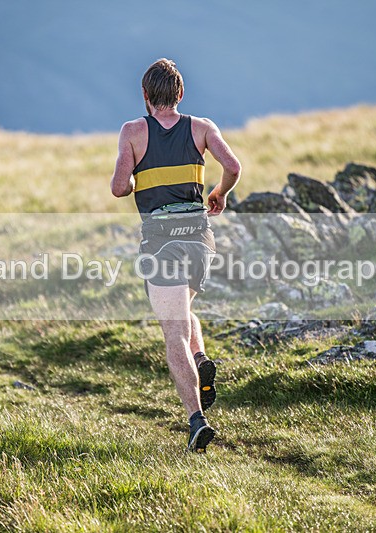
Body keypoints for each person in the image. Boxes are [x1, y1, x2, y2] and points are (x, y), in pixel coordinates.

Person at [110, 58, 241, 453]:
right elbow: (233, 166)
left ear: (146, 96)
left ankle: (197, 421)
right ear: (180, 94)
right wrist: (219, 194)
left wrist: (135, 173)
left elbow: (119, 188)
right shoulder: (201, 127)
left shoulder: (133, 131)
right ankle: (200, 359)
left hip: (161, 240)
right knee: (182, 312)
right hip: (200, 238)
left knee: (173, 332)